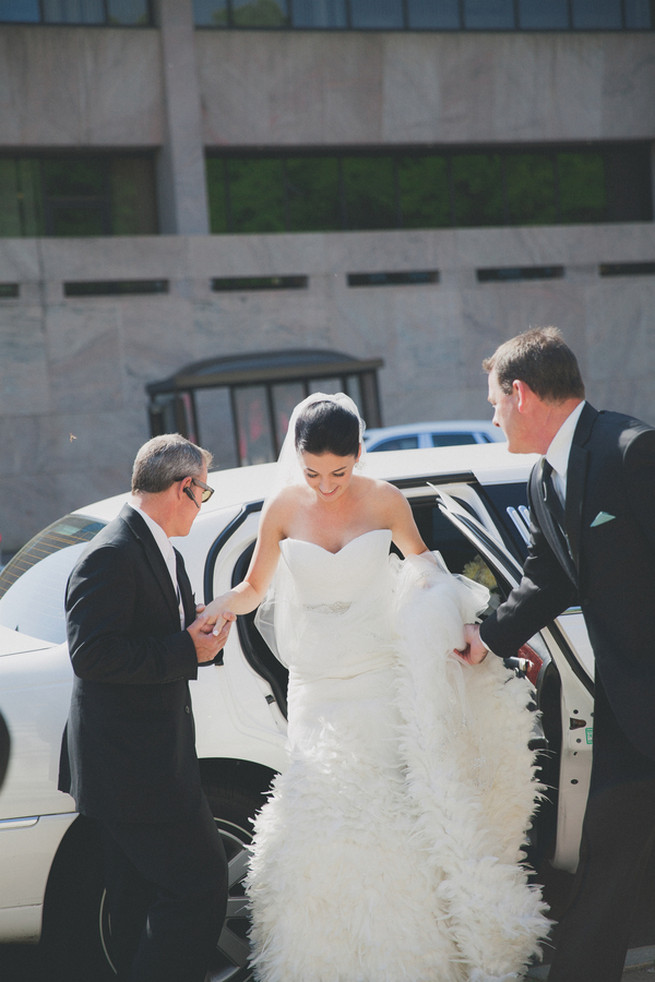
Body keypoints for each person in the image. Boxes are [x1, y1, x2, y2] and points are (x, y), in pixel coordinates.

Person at [204, 392, 549, 982]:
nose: (327, 484)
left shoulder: (386, 500)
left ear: (359, 455)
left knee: (391, 815)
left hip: (375, 677)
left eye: (339, 472)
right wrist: (218, 610)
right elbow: (255, 589)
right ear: (298, 459)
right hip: (315, 688)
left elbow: (424, 569)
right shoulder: (282, 507)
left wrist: (464, 624)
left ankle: (409, 957)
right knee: (322, 818)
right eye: (313, 472)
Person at [461, 326, 655, 982]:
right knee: (608, 853)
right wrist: (483, 640)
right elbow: (546, 576)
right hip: (626, 716)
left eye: (493, 402)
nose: (490, 417)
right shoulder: (544, 475)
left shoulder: (631, 448)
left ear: (520, 393)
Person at [58, 434, 234, 982]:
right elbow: (92, 654)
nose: (202, 501)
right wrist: (188, 648)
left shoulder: (159, 545)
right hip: (133, 769)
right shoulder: (111, 552)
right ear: (184, 487)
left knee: (137, 902)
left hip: (150, 760)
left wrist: (196, 629)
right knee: (200, 887)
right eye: (203, 491)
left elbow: (151, 632)